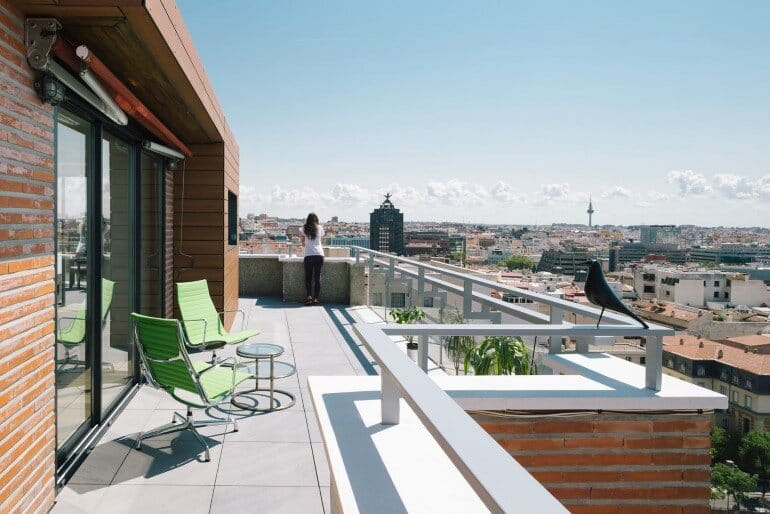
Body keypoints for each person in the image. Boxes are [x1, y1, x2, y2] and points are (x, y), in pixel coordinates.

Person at [299, 213, 324, 305]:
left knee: (308, 278)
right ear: (316, 219)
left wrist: (307, 245)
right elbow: (321, 240)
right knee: (317, 278)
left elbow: (302, 242)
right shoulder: (320, 228)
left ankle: (309, 297)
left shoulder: (304, 228)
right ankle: (316, 298)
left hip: (309, 255)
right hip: (319, 255)